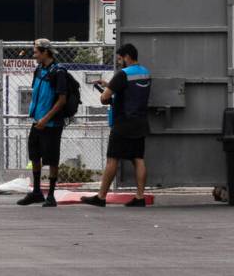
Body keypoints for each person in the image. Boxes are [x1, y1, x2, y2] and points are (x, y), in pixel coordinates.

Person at [81, 43, 151, 207]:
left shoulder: (122, 74)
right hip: (140, 121)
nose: (120, 62)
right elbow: (131, 91)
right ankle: (140, 197)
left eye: (120, 59)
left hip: (123, 123)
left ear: (127, 56)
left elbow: (105, 98)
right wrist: (109, 83)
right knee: (138, 159)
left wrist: (107, 92)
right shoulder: (145, 73)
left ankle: (101, 197)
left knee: (112, 159)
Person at [18, 38, 68, 207]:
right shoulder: (39, 69)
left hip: (51, 124)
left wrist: (46, 119)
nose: (34, 55)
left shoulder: (58, 71)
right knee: (35, 156)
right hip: (37, 122)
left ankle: (51, 195)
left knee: (52, 159)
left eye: (36, 52)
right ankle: (37, 192)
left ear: (45, 52)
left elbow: (61, 100)